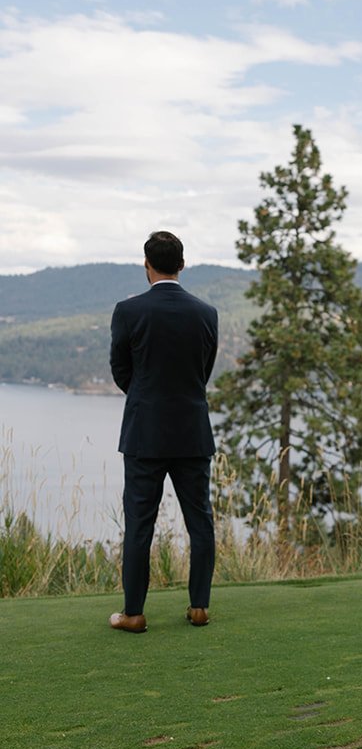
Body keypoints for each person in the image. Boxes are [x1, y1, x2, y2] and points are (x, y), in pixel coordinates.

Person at [108, 230, 219, 634]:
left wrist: (144, 396)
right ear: (182, 265)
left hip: (144, 434)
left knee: (139, 524)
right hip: (192, 431)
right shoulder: (206, 313)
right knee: (200, 522)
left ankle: (134, 613)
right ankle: (200, 607)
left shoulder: (128, 310)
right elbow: (203, 373)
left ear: (146, 265)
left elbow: (121, 369)